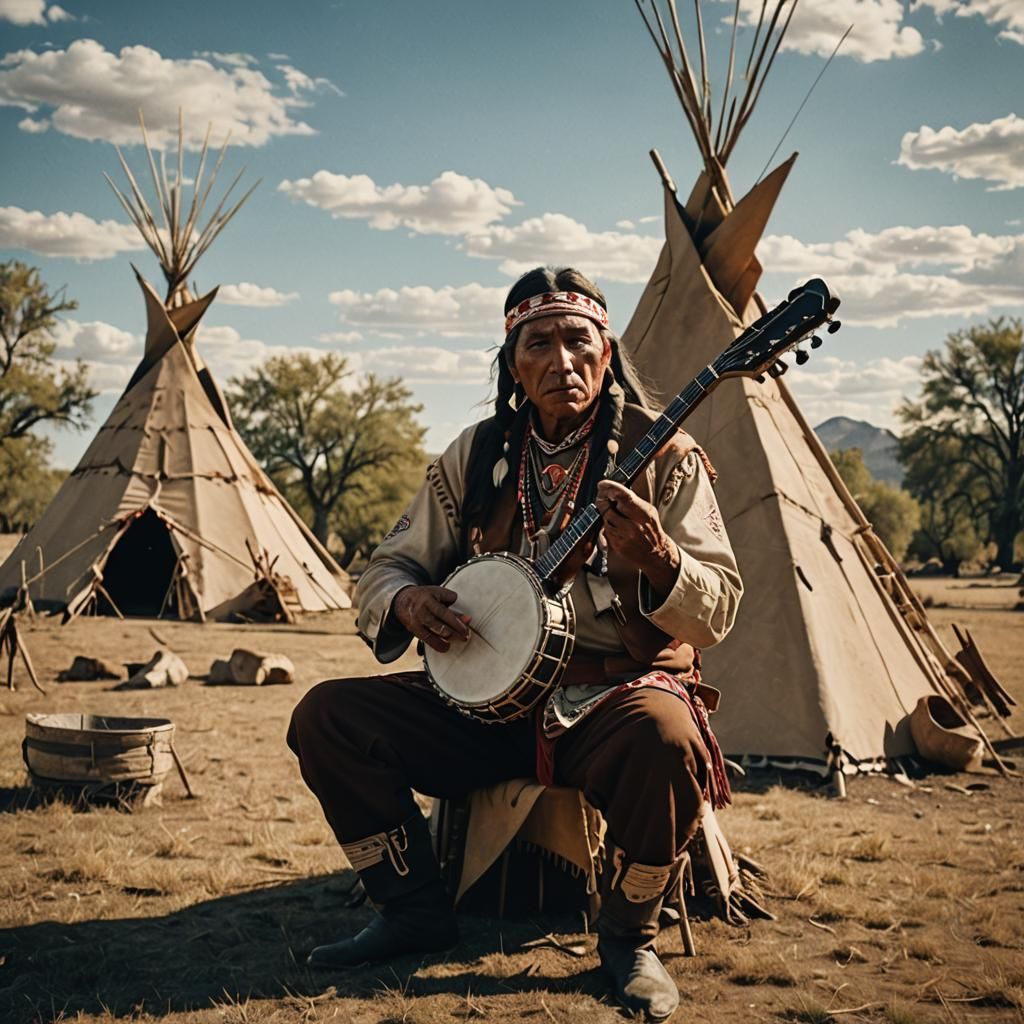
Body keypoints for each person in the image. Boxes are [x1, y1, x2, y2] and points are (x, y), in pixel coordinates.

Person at [287, 266, 742, 1022]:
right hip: (482, 701)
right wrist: (407, 599)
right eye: (540, 344)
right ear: (513, 364)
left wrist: (663, 558)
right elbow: (387, 565)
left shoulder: (666, 455)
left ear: (607, 354)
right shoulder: (476, 457)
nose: (562, 361)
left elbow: (720, 608)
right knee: (327, 718)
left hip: (609, 702)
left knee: (667, 739)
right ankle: (412, 909)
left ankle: (630, 938)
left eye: (578, 341)